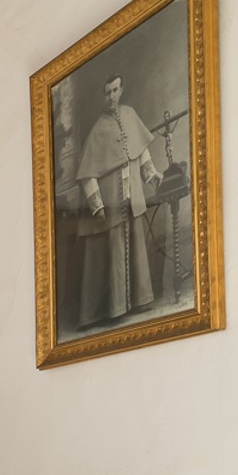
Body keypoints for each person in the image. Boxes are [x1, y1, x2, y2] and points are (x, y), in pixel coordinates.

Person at [74, 74, 163, 328]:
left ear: (121, 90)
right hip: (111, 200)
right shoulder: (98, 129)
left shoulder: (130, 114)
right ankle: (114, 309)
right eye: (107, 92)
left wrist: (152, 173)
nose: (111, 96)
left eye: (115, 90)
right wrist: (97, 205)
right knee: (112, 253)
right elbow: (87, 174)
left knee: (135, 246)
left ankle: (138, 301)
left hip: (131, 194)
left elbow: (140, 151)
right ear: (103, 95)